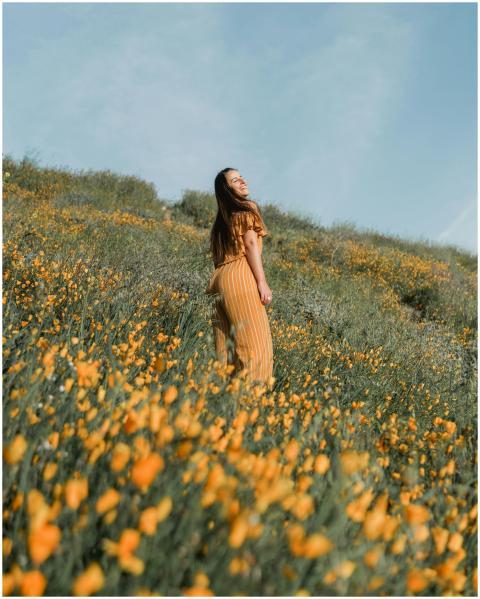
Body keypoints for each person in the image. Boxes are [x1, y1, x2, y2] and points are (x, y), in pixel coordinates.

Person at [205, 167, 274, 388]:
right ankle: (248, 407)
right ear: (228, 189)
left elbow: (217, 259)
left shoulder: (220, 224)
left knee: (226, 352)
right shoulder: (248, 208)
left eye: (241, 177)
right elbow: (251, 244)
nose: (242, 181)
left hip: (218, 282)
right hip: (240, 280)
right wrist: (261, 282)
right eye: (235, 180)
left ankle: (220, 403)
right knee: (256, 348)